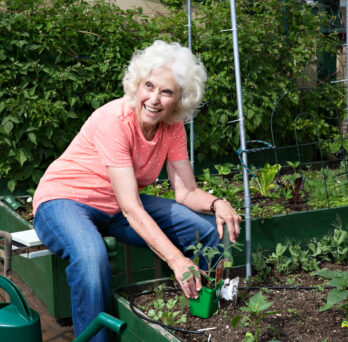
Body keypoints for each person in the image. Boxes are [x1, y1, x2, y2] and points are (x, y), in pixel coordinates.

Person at [33, 40, 241, 341]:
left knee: (207, 230)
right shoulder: (114, 120)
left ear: (179, 99)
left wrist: (217, 203)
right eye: (149, 86)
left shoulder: (172, 127)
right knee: (92, 258)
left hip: (117, 206)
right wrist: (176, 260)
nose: (154, 99)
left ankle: (208, 316)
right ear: (137, 85)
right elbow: (132, 208)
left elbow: (185, 192)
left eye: (166, 92)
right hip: (65, 200)